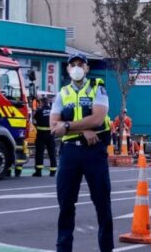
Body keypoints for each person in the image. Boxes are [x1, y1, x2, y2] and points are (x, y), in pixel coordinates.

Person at [50, 53, 113, 252]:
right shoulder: (62, 93)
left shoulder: (97, 89)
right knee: (66, 203)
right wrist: (81, 129)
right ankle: (63, 248)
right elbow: (53, 127)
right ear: (68, 69)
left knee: (102, 203)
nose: (76, 67)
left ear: (86, 68)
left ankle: (106, 248)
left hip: (94, 151)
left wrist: (67, 125)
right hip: (70, 153)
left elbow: (98, 119)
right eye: (73, 65)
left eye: (80, 64)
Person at [33, 96, 57, 177]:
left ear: (41, 103)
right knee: (52, 153)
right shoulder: (52, 111)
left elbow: (34, 121)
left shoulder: (39, 111)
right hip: (51, 134)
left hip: (41, 135)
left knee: (39, 153)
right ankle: (53, 171)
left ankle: (38, 171)